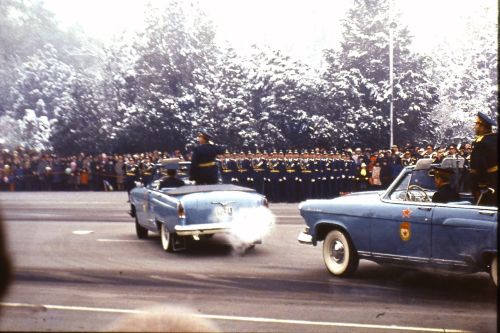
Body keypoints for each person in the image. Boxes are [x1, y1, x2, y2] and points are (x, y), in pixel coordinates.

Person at [470, 112, 498, 206]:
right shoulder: (494, 138)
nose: (475, 127)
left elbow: (480, 165)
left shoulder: (481, 143)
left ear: (482, 126)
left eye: (476, 124)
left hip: (486, 182)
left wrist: (481, 185)